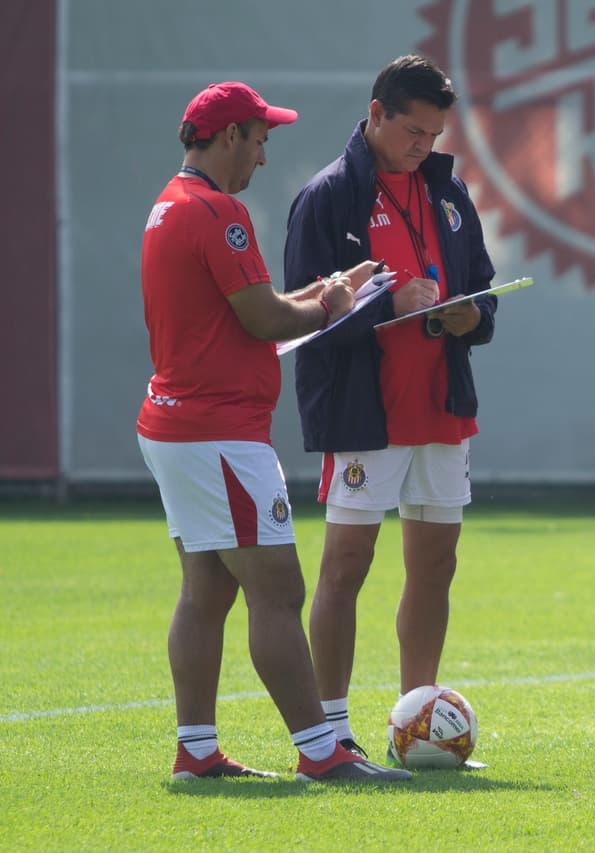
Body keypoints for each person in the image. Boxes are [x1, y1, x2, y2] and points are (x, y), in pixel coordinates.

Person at [136, 81, 411, 783]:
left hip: (179, 423)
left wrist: (326, 291)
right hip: (218, 432)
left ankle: (197, 750)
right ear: (230, 135)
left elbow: (244, 308)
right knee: (279, 591)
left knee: (207, 588)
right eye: (259, 140)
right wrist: (332, 309)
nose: (262, 156)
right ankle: (322, 752)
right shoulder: (218, 211)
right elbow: (262, 319)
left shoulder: (171, 203)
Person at [284, 55, 497, 763]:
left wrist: (472, 314)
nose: (423, 146)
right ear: (376, 114)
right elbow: (298, 316)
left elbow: (483, 284)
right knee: (346, 566)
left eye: (434, 134)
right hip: (364, 411)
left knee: (436, 565)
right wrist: (387, 305)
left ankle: (419, 720)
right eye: (412, 131)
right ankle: (332, 732)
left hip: (441, 404)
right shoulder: (328, 197)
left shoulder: (447, 189)